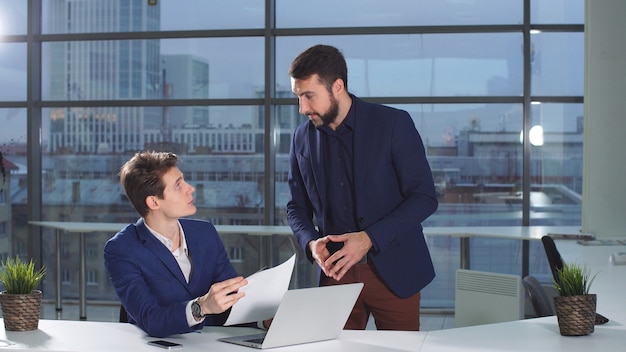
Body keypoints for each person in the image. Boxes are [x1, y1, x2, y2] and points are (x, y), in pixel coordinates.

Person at [286, 44, 438, 331]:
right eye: (298, 97)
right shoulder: (301, 138)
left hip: (395, 272)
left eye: (308, 96)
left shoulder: (393, 124)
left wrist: (369, 238)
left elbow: (424, 198)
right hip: (335, 273)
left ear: (338, 86)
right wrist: (310, 242)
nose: (302, 108)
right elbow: (296, 206)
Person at [104, 151, 247, 337]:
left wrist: (263, 321)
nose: (190, 188)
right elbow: (151, 318)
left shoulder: (205, 234)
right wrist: (201, 307)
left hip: (209, 346)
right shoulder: (122, 250)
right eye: (178, 185)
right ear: (154, 202)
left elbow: (231, 299)